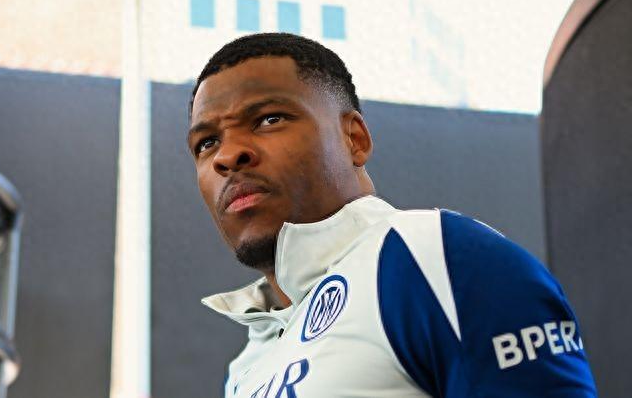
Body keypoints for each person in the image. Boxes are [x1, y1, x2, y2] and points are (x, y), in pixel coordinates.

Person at [188, 33, 596, 398]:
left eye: (269, 119)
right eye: (207, 143)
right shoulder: (244, 369)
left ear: (355, 139)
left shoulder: (437, 256)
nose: (228, 156)